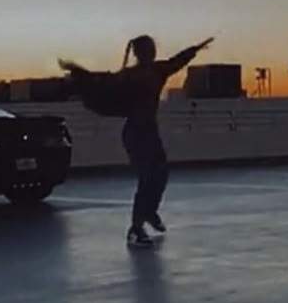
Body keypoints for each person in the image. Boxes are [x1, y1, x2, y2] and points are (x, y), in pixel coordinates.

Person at [62, 35, 213, 246]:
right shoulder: (135, 75)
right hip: (136, 132)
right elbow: (102, 82)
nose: (151, 52)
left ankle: (148, 214)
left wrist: (195, 49)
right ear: (140, 52)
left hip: (147, 130)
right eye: (148, 48)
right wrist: (79, 73)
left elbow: (177, 61)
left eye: (152, 48)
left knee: (159, 176)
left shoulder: (154, 71)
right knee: (149, 178)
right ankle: (137, 227)